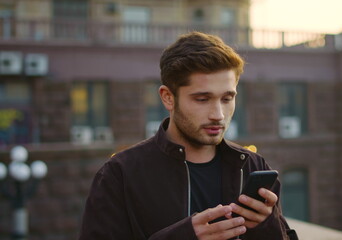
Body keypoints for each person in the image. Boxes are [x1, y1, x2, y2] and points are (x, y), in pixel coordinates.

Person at [79, 32, 298, 240]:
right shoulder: (120, 174)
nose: (218, 115)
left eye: (226, 98)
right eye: (202, 99)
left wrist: (267, 225)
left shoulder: (253, 166)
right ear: (168, 98)